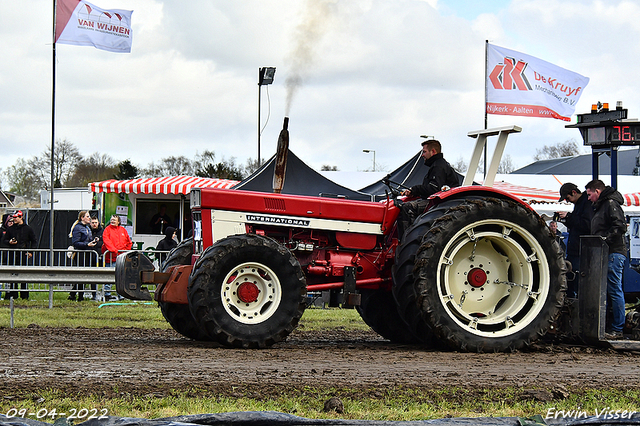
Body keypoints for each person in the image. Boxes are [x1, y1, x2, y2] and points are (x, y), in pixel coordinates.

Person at [585, 179, 626, 340]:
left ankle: (617, 328)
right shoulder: (603, 205)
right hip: (607, 251)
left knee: (614, 290)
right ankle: (613, 326)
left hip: (613, 251)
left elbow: (620, 226)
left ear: (597, 191)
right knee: (611, 289)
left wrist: (605, 239)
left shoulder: (609, 204)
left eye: (589, 195)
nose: (588, 198)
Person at [398, 139, 460, 236]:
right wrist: (414, 192)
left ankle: (405, 239)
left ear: (433, 152)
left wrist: (414, 189)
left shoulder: (438, 167)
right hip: (438, 201)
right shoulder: (439, 165)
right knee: (405, 202)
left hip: (441, 203)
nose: (422, 155)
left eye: (424, 152)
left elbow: (434, 189)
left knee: (407, 208)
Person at [557, 182, 593, 298]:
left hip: (580, 251)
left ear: (574, 192)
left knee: (575, 279)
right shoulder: (579, 204)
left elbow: (586, 225)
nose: (567, 201)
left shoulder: (586, 204)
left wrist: (569, 217)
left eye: (568, 198)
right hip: (576, 249)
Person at [1, 210, 37, 300]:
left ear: (21, 217)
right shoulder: (10, 229)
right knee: (12, 276)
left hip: (23, 255)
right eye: (13, 217)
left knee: (23, 276)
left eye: (16, 217)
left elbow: (34, 241)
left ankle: (24, 296)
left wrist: (31, 252)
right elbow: (4, 240)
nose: (14, 219)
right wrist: (9, 242)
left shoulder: (28, 229)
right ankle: (13, 294)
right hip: (12, 255)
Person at [69, 211, 98, 301]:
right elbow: (75, 242)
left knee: (85, 276)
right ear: (82, 218)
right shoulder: (77, 228)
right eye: (87, 216)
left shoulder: (87, 228)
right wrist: (86, 245)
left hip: (87, 253)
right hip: (80, 254)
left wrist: (93, 241)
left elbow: (87, 239)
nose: (89, 218)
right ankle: (79, 296)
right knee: (81, 276)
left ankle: (73, 294)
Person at [102, 215, 133, 300]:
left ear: (118, 221)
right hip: (110, 257)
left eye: (114, 220)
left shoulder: (123, 230)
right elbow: (106, 241)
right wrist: (114, 250)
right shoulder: (107, 230)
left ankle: (121, 295)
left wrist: (124, 252)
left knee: (121, 277)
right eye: (111, 219)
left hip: (120, 257)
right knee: (109, 276)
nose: (112, 221)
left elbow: (129, 242)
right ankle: (107, 293)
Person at [89, 216, 104, 300]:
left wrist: (98, 242)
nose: (94, 224)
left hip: (100, 255)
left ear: (98, 223)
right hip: (90, 256)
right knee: (91, 276)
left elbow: (104, 241)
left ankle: (102, 293)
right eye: (93, 222)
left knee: (101, 275)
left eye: (95, 222)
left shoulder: (102, 231)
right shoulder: (88, 231)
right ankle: (93, 293)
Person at [0, 215, 13, 299]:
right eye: (9, 221)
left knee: (9, 278)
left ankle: (9, 294)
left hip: (10, 256)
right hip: (1, 256)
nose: (11, 223)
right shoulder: (1, 231)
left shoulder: (13, 230)